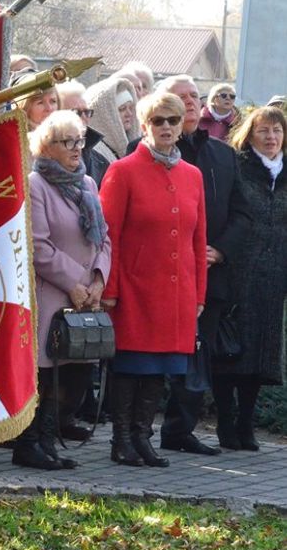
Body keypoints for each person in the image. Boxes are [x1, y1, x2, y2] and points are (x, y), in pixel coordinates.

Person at [99, 92, 207, 468]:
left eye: (172, 121)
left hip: (177, 292)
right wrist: (108, 289)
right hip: (134, 287)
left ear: (181, 126)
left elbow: (198, 238)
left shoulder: (192, 175)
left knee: (160, 369)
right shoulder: (123, 171)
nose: (165, 127)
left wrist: (198, 294)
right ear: (144, 125)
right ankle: (121, 439)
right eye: (158, 120)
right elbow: (107, 234)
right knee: (131, 366)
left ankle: (143, 437)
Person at [153, 75, 251, 457]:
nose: (190, 103)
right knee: (151, 352)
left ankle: (180, 429)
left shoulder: (223, 154)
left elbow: (242, 213)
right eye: (181, 97)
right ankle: (136, 429)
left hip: (209, 274)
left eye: (195, 96)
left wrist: (220, 250)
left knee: (198, 350)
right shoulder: (145, 152)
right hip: (159, 274)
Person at [14, 111, 110, 469]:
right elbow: (38, 245)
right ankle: (29, 444)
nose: (76, 148)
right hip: (52, 294)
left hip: (87, 297)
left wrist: (99, 278)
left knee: (74, 372)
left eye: (79, 140)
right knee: (46, 372)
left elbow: (104, 237)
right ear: (46, 147)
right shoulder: (36, 184)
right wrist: (75, 283)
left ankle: (49, 440)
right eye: (67, 141)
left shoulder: (88, 184)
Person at [213, 107, 287, 450]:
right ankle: (226, 422)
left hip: (273, 278)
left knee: (261, 355)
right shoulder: (239, 167)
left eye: (277, 131)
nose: (271, 138)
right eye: (264, 132)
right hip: (238, 272)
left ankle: (246, 423)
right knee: (230, 351)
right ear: (250, 135)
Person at [56, 80, 109, 187]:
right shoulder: (46, 157)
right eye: (76, 112)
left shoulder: (100, 162)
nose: (84, 118)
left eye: (87, 112)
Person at [85, 76, 137, 162]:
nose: (129, 114)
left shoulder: (136, 147)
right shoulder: (95, 155)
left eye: (131, 108)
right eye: (122, 109)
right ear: (105, 115)